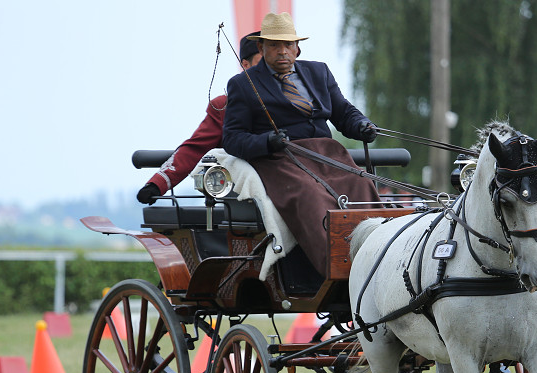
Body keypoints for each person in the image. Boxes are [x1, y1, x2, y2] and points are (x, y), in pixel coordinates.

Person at [221, 12, 381, 277]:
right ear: (261, 47)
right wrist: (267, 142)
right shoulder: (243, 85)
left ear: (297, 48)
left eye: (287, 44)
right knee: (312, 195)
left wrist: (362, 125)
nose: (282, 51)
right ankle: (338, 270)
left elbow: (342, 111)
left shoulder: (319, 72)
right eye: (274, 45)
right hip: (280, 159)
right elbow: (232, 138)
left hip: (328, 154)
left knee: (360, 184)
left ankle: (379, 256)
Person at [136, 32, 262, 204]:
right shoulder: (224, 107)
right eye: (263, 62)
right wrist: (157, 184)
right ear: (246, 65)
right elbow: (194, 149)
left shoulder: (302, 101)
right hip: (249, 196)